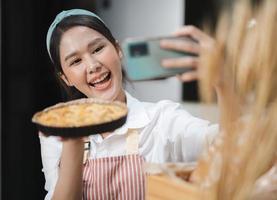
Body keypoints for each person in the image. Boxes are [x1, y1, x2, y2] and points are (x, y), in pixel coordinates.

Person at [40, 9, 219, 200]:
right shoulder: (55, 136)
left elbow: (229, 147)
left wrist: (223, 82)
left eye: (97, 49)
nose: (93, 66)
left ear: (118, 50)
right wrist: (72, 142)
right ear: (65, 78)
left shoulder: (162, 120)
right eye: (76, 61)